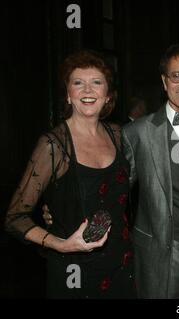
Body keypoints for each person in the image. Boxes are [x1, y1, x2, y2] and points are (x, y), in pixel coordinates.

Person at [4, 50, 135, 298]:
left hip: (122, 265)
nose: (87, 90)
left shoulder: (119, 135)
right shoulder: (53, 145)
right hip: (74, 271)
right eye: (78, 83)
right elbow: (14, 217)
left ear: (107, 95)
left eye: (96, 83)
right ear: (68, 94)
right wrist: (61, 245)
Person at [121, 42, 179, 298]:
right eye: (177, 75)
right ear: (164, 82)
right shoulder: (137, 133)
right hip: (160, 255)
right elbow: (113, 193)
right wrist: (67, 211)